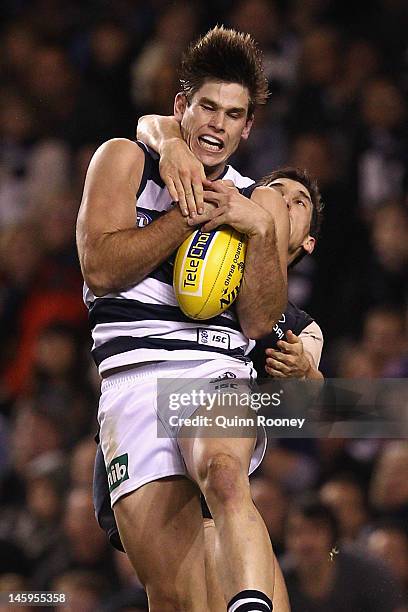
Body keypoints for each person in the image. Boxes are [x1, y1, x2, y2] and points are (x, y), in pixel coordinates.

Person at [77, 26, 293, 612]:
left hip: (214, 368)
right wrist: (188, 214)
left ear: (248, 127)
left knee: (225, 474)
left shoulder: (259, 201)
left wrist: (261, 232)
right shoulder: (122, 159)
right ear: (182, 107)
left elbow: (259, 321)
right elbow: (99, 268)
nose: (218, 126)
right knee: (175, 596)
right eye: (207, 108)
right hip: (133, 381)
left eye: (234, 114)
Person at [92, 165, 324, 612]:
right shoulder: (198, 258)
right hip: (146, 431)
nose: (281, 202)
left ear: (308, 239)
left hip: (218, 465)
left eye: (299, 201)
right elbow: (156, 129)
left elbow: (321, 403)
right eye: (274, 191)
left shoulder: (297, 326)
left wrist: (306, 376)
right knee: (182, 599)